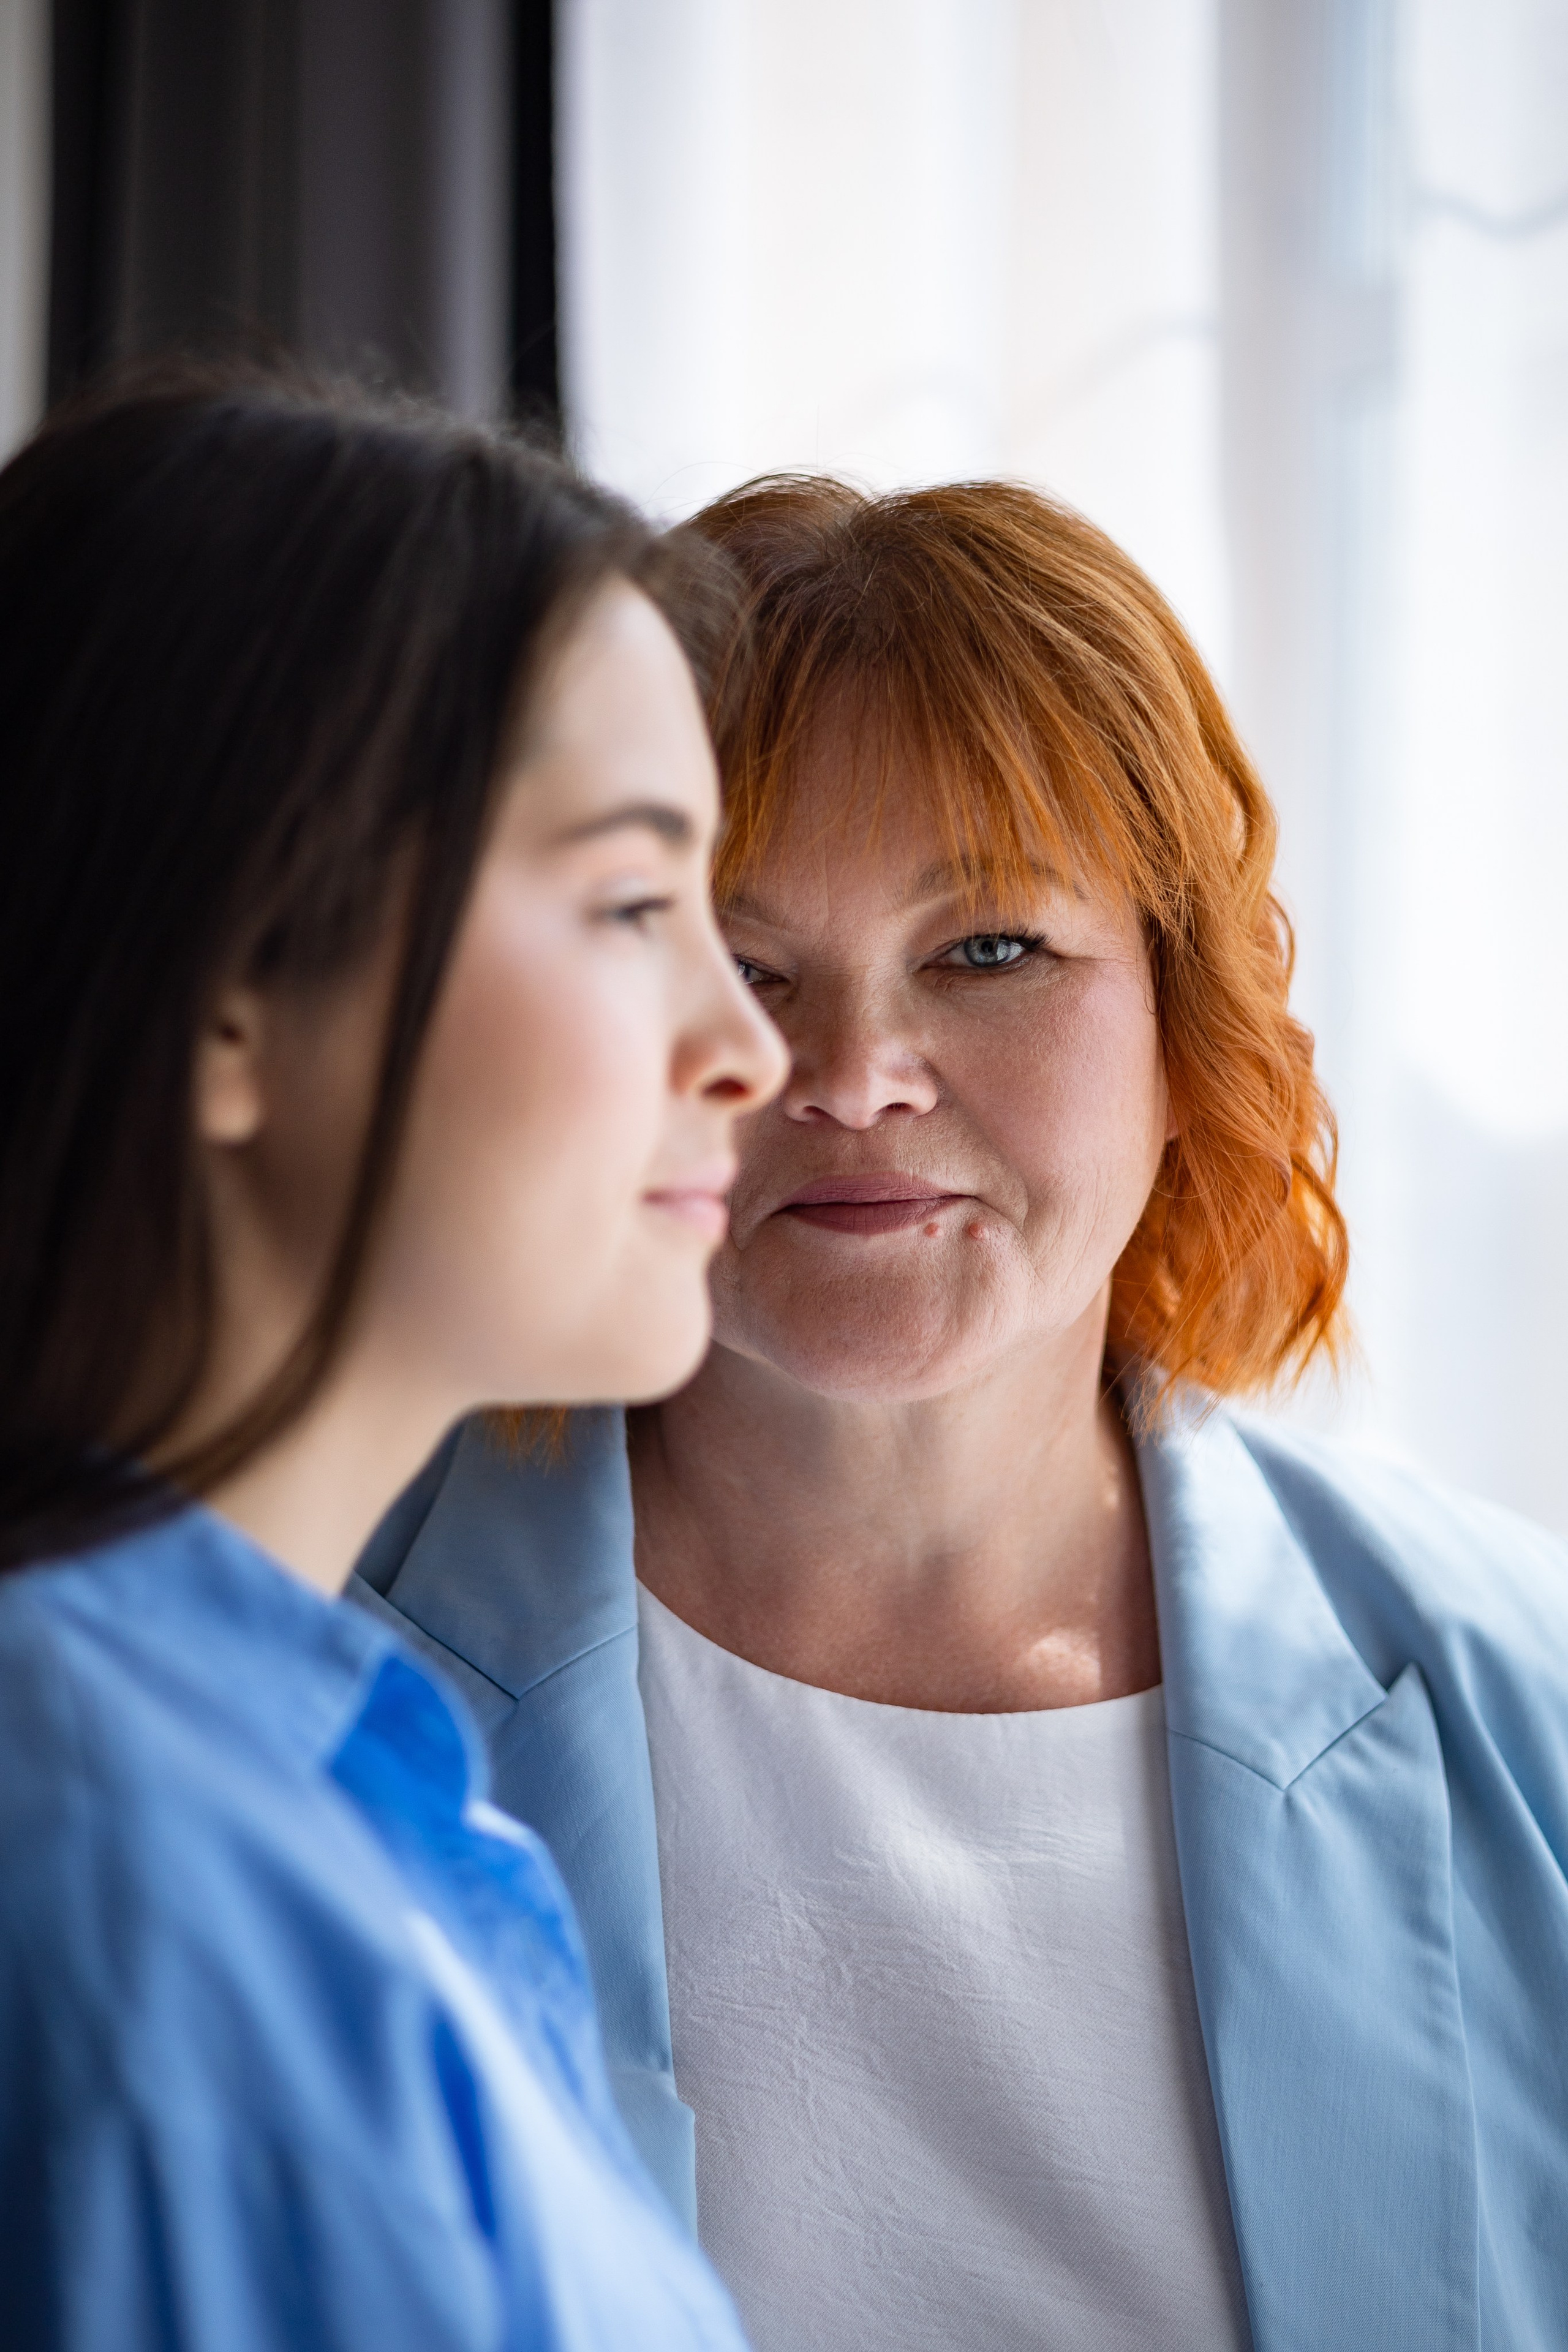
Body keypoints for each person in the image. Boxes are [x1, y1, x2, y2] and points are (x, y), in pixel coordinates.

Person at [355, 477, 1568, 2352]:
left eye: (988, 947)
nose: (849, 1075)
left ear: (1191, 1025)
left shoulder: (1528, 1695)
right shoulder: (269, 1661)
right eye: (741, 968)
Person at [0, 367, 788, 2351]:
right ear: (233, 990)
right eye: (630, 901)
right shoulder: (113, 1880)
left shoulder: (332, 1781)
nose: (752, 1051)